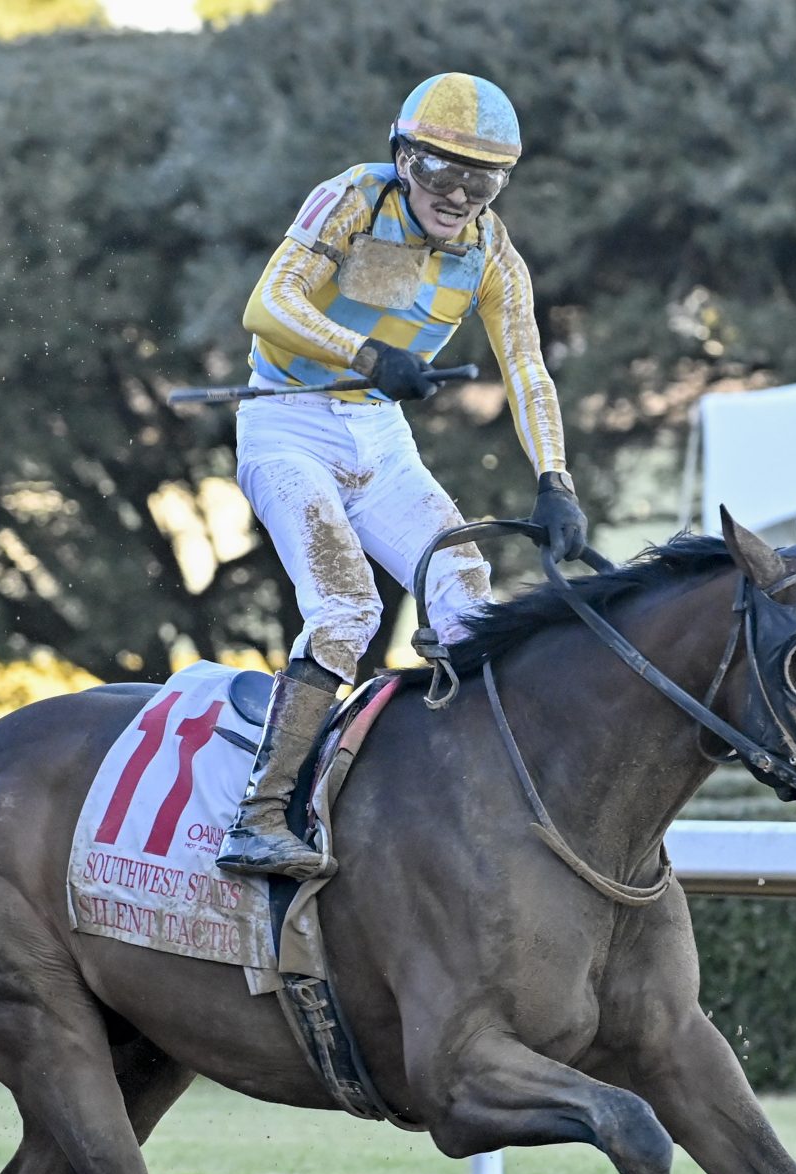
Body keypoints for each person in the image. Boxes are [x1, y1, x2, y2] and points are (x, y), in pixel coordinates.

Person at [218, 72, 583, 881]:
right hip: (286, 423)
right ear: (402, 157)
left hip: (380, 437)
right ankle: (259, 816)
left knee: (465, 589)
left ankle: (468, 798)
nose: (457, 197)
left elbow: (527, 370)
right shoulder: (352, 197)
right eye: (440, 172)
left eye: (481, 183)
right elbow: (266, 305)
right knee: (347, 608)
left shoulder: (492, 252)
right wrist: (366, 355)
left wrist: (555, 479)